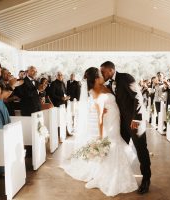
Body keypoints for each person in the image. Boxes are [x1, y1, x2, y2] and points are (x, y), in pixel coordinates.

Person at [61, 67, 138, 197]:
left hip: (116, 119)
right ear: (96, 78)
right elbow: (100, 117)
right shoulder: (94, 91)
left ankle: (115, 175)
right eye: (100, 74)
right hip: (109, 123)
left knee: (116, 143)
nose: (103, 75)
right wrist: (101, 136)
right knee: (112, 145)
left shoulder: (105, 85)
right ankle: (110, 178)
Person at [101, 61, 151, 194]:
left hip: (135, 121)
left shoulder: (126, 77)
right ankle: (121, 178)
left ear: (111, 70)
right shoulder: (109, 84)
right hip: (122, 123)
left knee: (141, 150)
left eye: (103, 71)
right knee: (120, 149)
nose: (102, 74)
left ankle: (146, 179)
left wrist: (136, 118)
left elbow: (138, 98)